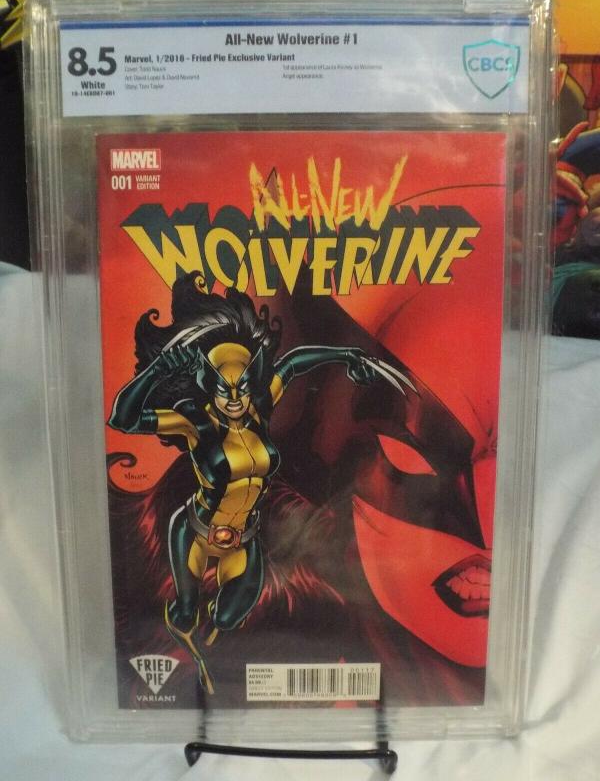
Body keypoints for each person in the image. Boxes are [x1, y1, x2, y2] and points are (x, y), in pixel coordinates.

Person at [108, 271, 413, 693]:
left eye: (242, 386)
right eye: (224, 388)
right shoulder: (194, 422)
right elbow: (122, 418)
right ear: (208, 386)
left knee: (229, 617)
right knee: (184, 614)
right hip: (195, 534)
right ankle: (185, 650)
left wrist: (348, 355)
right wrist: (158, 370)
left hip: (244, 538)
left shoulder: (259, 408)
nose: (235, 398)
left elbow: (294, 362)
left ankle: (207, 666)